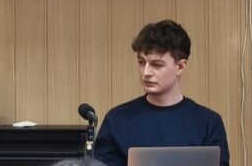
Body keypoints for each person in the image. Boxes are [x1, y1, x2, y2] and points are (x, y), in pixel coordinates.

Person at [93, 19, 230, 166]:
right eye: (141, 62)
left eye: (156, 65)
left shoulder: (208, 123)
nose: (146, 72)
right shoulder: (117, 120)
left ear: (180, 67)